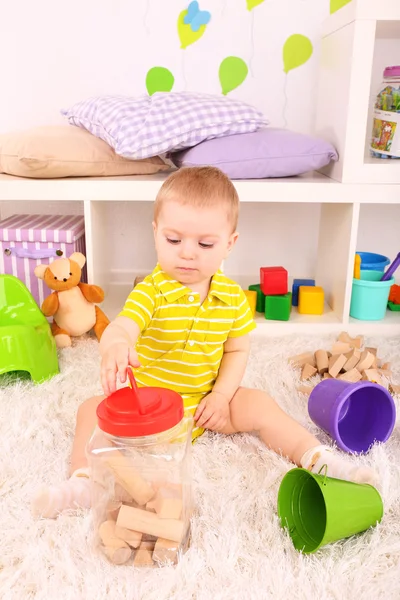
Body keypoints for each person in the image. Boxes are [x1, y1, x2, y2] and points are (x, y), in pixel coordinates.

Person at [32, 166, 377, 519]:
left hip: (204, 409)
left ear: (230, 242)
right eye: (173, 240)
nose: (187, 253)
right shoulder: (151, 291)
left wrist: (222, 396)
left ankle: (316, 458)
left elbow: (237, 349)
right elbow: (123, 327)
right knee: (90, 409)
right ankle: (84, 480)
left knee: (260, 404)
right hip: (145, 409)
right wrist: (116, 346)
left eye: (205, 243)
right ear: (155, 234)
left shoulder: (232, 297)